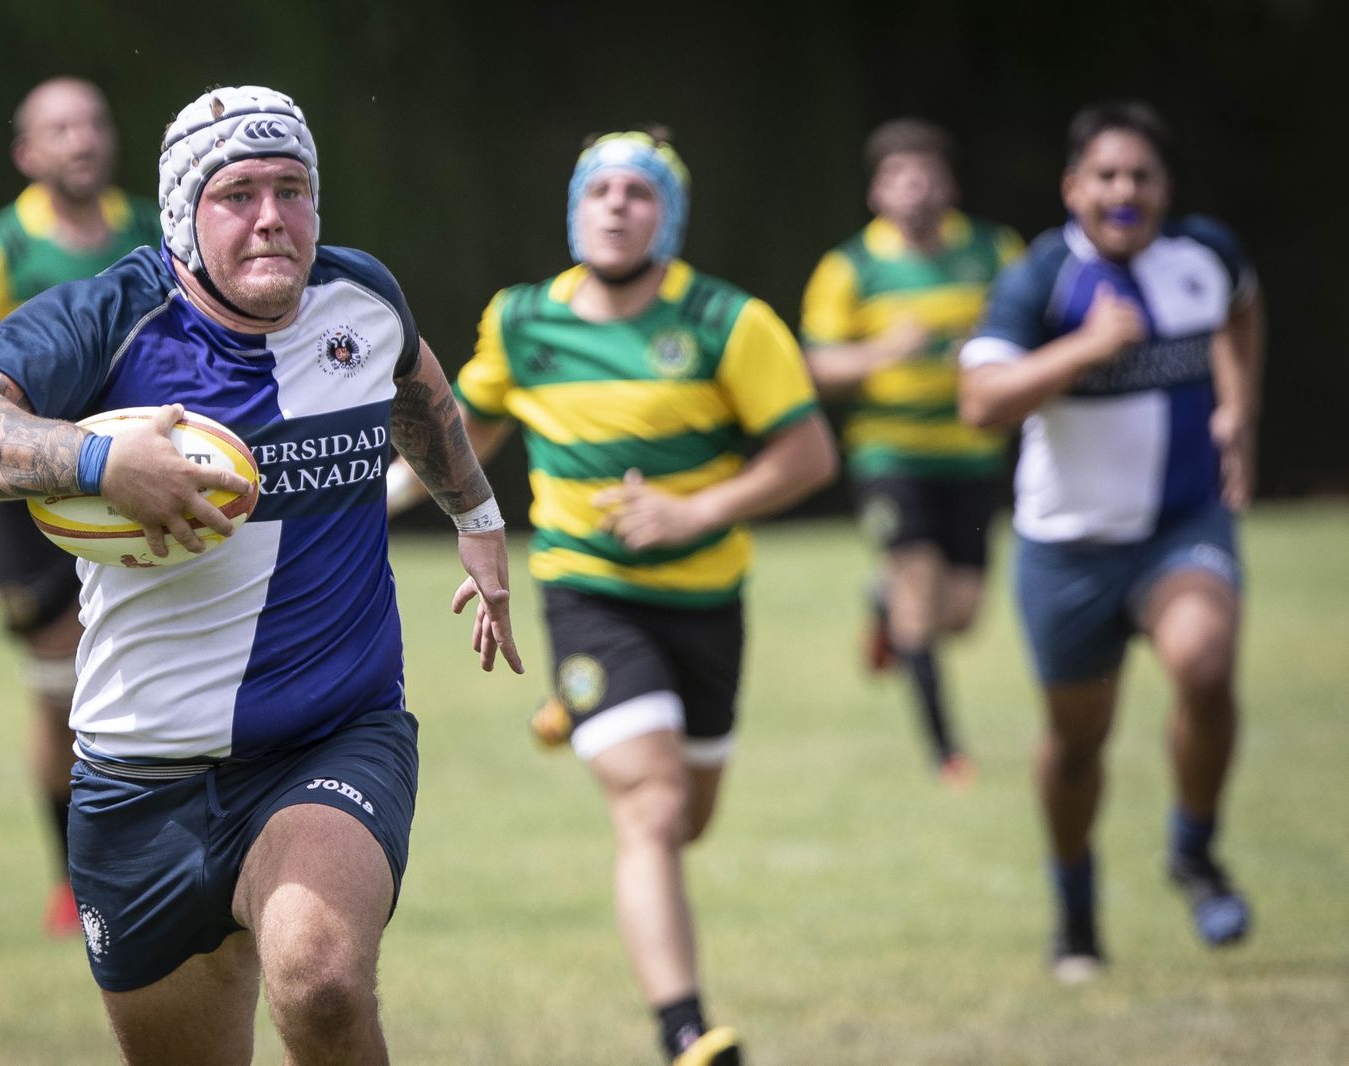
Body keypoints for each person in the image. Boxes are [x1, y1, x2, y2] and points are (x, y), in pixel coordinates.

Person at [0, 84, 524, 1064]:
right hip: (137, 771)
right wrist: (102, 464)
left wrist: (477, 514)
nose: (272, 215)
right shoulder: (106, 317)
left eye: (293, 187)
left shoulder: (360, 298)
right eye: (237, 192)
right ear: (183, 214)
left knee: (318, 980)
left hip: (329, 735)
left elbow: (416, 382)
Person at [390, 128, 838, 1066]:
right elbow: (452, 442)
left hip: (707, 604)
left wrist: (698, 509)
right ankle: (686, 1031)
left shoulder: (729, 321)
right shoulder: (522, 321)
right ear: (575, 207)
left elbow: (809, 456)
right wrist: (345, 509)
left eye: (639, 193)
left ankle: (581, 705)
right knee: (651, 808)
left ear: (665, 216)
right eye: (601, 190)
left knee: (690, 818)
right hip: (586, 591)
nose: (617, 206)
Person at [959, 100, 1263, 982]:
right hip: (1069, 548)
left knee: (1204, 663)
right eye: (1106, 176)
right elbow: (981, 405)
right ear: (1073, 189)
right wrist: (1081, 350)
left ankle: (1194, 853)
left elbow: (1244, 311)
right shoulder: (1041, 278)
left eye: (1141, 176)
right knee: (1077, 743)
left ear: (1166, 189)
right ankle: (1076, 914)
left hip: (1182, 526)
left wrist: (1241, 408)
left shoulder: (1206, 257)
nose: (1124, 191)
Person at [0, 76, 163, 936]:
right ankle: (74, 878)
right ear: (28, 153)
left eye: (94, 121)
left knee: (151, 663)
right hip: (28, 497)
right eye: (60, 128)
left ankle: (158, 860)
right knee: (60, 691)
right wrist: (56, 445)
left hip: (142, 478)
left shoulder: (151, 231)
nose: (82, 139)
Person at [800, 117, 1024, 788]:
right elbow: (812, 366)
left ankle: (881, 605)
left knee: (960, 614)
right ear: (877, 192)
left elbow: (1032, 329)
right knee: (920, 594)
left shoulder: (994, 251)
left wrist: (990, 348)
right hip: (888, 460)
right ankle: (946, 751)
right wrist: (880, 354)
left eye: (926, 174)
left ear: (948, 185)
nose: (915, 187)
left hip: (972, 456)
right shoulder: (851, 267)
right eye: (900, 176)